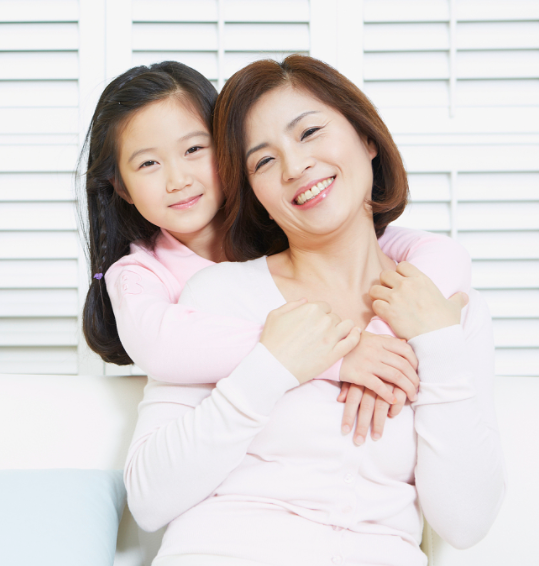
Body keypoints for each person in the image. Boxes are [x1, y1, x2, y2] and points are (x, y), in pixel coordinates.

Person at [124, 55, 505, 565]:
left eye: (309, 132)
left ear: (367, 138)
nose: (295, 166)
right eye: (263, 161)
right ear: (255, 194)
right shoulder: (219, 295)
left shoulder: (445, 306)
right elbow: (149, 499)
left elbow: (466, 523)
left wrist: (437, 343)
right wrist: (270, 366)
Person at [79, 61, 472, 443]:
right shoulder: (138, 274)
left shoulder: (286, 225)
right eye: (148, 163)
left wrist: (386, 340)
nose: (178, 180)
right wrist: (337, 355)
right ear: (121, 187)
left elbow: (437, 252)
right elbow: (161, 347)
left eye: (194, 148)